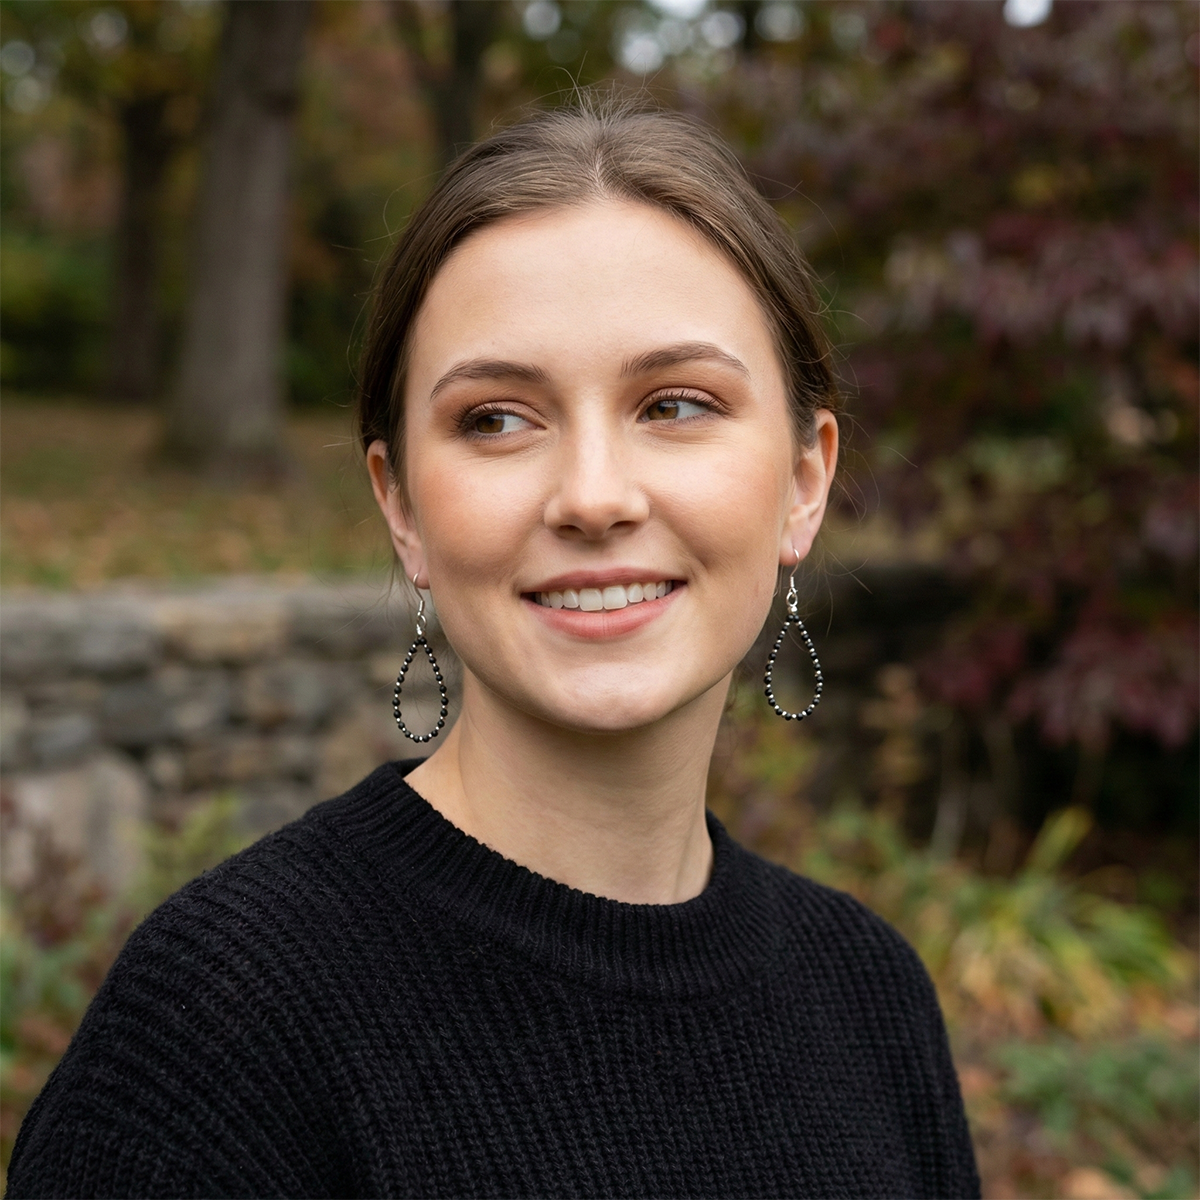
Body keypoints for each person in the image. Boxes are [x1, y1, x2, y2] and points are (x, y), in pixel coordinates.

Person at [7, 97, 980, 1198]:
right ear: (403, 507)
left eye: (675, 403)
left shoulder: (869, 997)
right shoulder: (221, 1029)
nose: (594, 497)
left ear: (805, 480)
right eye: (498, 420)